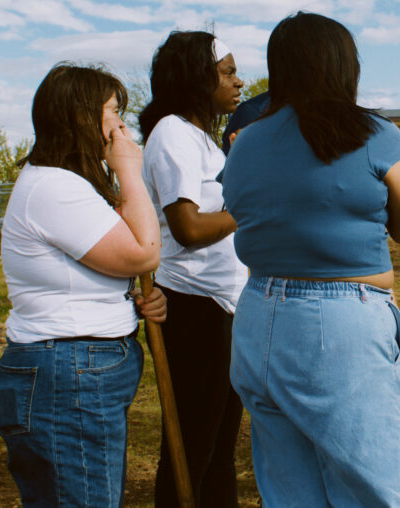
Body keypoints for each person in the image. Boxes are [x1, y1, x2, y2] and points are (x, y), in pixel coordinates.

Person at [220, 12, 400, 507]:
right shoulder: (372, 132)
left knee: (291, 493)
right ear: (344, 66)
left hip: (257, 319)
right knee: (375, 491)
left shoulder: (245, 142)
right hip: (339, 325)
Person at [0, 63, 165, 507]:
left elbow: (115, 259)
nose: (122, 125)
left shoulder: (69, 184)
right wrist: (130, 171)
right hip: (67, 374)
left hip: (73, 367)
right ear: (82, 118)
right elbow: (144, 253)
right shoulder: (55, 187)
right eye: (113, 111)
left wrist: (129, 300)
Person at [138, 31, 249, 507]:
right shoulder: (172, 133)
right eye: (227, 72)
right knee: (192, 449)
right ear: (196, 78)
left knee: (221, 449)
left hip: (222, 305)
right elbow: (187, 227)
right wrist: (249, 207)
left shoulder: (203, 139)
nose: (239, 82)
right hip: (192, 307)